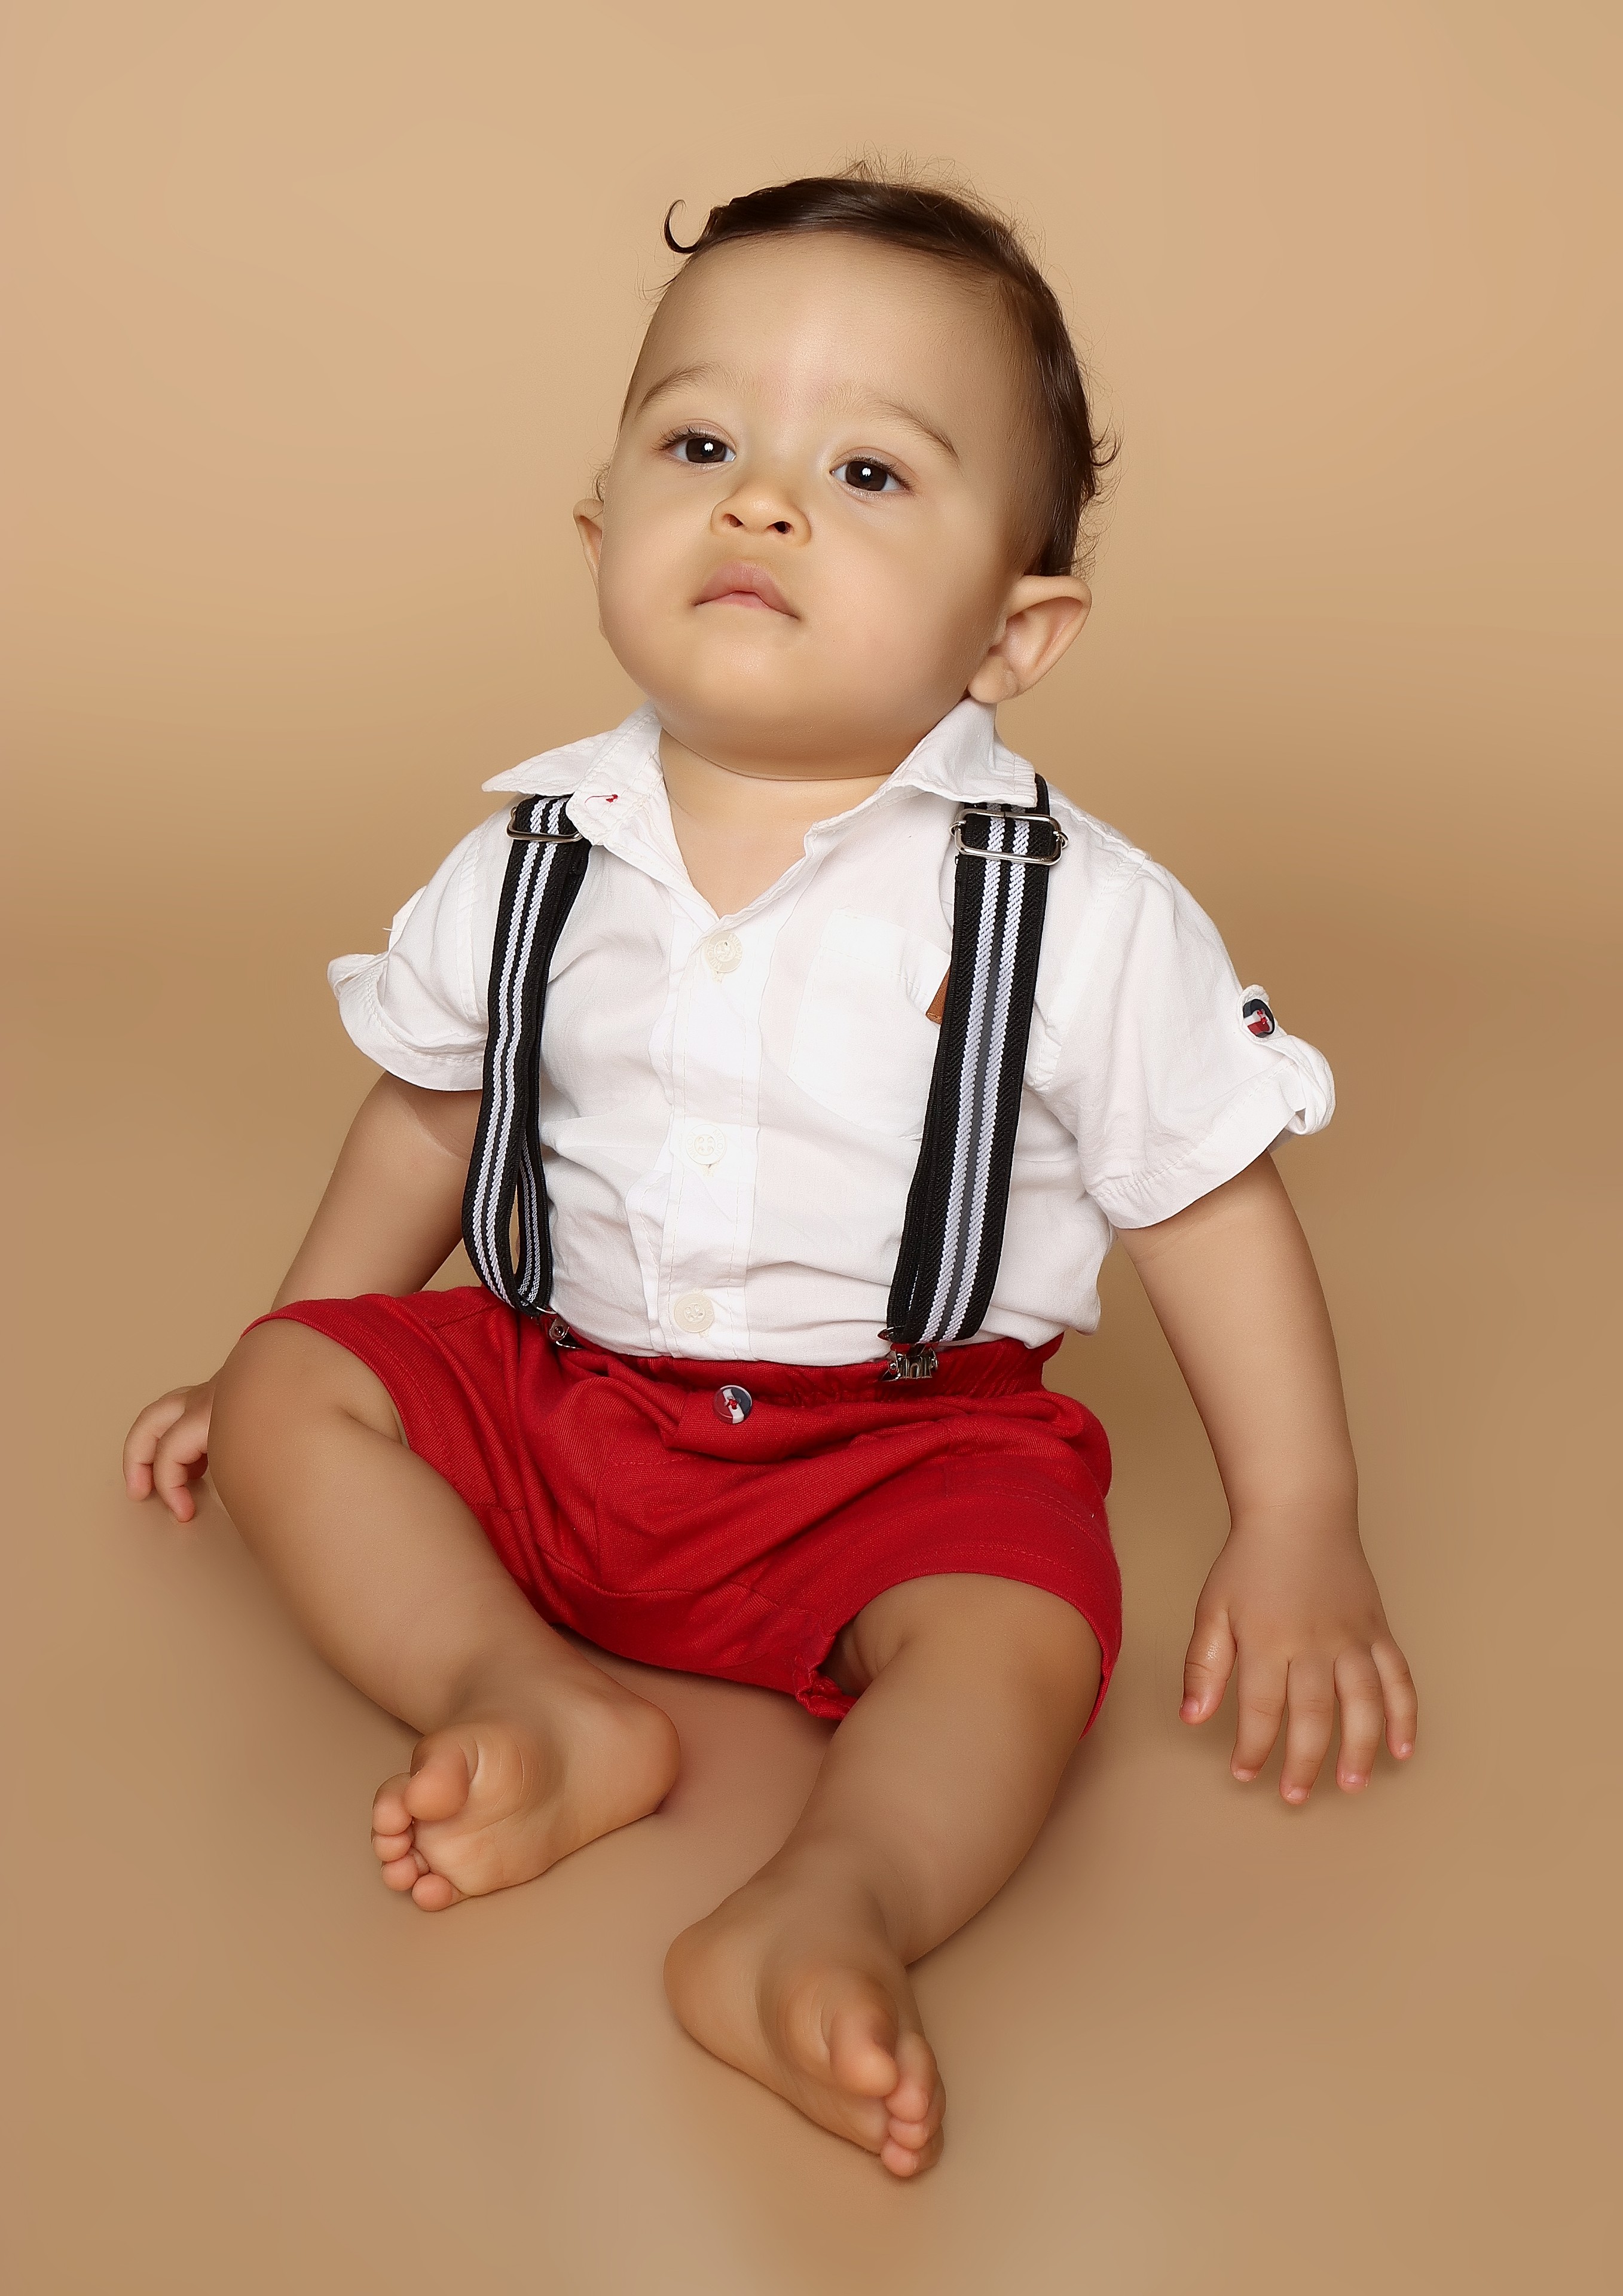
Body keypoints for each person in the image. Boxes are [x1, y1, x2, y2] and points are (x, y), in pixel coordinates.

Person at [122, 169, 1417, 2180]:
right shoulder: (534, 854)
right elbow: (426, 1116)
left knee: (1019, 1623)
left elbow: (1205, 1205)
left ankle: (831, 1907)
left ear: (1014, 630)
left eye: (868, 473)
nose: (761, 507)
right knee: (297, 1379)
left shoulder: (1074, 915)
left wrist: (1298, 1519)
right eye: (701, 447)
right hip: (570, 1398)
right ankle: (526, 1699)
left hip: (894, 1455)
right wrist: (294, 1334)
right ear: (601, 533)